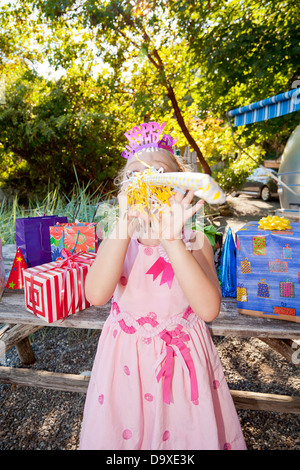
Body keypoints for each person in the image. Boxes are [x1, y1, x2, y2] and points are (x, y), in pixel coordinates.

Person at [79, 122, 247, 450]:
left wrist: (171, 239)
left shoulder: (194, 240)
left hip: (183, 369)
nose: (145, 180)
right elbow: (96, 295)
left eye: (158, 172)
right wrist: (125, 223)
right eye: (134, 175)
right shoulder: (117, 240)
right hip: (125, 364)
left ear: (178, 186)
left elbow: (209, 309)